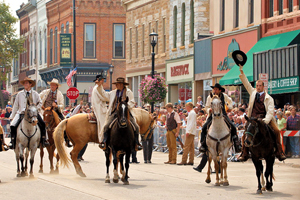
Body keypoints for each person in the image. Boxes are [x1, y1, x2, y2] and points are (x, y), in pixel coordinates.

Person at [238, 65, 286, 161]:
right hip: (253, 119)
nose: (258, 87)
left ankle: (279, 151)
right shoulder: (253, 93)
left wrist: (265, 121)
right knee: (245, 134)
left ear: (263, 87)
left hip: (264, 119)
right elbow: (246, 83)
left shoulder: (269, 98)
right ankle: (244, 153)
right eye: (257, 86)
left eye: (260, 86)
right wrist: (241, 71)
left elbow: (270, 112)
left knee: (276, 131)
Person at [97, 77, 142, 151]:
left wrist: (125, 106)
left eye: (118, 84)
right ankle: (104, 142)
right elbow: (104, 94)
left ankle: (137, 143)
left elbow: (132, 102)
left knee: (136, 126)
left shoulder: (128, 92)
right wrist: (99, 86)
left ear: (122, 85)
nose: (116, 86)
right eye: (116, 84)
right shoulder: (113, 92)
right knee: (106, 126)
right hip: (115, 112)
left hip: (125, 112)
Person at [199, 83, 241, 153]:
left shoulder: (224, 96)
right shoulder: (210, 97)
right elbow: (206, 107)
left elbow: (230, 101)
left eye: (216, 89)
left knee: (233, 127)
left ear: (219, 90)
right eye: (214, 89)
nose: (214, 91)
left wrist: (230, 107)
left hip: (223, 115)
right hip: (212, 116)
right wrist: (209, 110)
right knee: (204, 128)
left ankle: (237, 144)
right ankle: (203, 145)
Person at [8, 77, 47, 149]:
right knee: (12, 125)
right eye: (24, 83)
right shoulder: (19, 94)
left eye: (26, 83)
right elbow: (16, 106)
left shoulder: (35, 94)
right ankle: (12, 141)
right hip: (21, 113)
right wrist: (12, 117)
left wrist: (35, 107)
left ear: (30, 84)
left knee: (43, 123)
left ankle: (43, 140)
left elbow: (40, 103)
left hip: (33, 113)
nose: (25, 84)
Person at [39, 78, 68, 146]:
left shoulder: (60, 94)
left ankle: (66, 139)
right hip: (45, 111)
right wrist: (41, 106)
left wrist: (56, 105)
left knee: (64, 122)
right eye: (51, 85)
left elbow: (62, 105)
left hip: (55, 111)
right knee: (38, 122)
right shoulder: (45, 92)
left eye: (53, 85)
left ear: (56, 86)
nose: (51, 86)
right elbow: (38, 98)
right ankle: (39, 139)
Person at [91, 73, 108, 144]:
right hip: (99, 108)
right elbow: (104, 97)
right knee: (104, 122)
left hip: (100, 106)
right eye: (102, 80)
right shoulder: (97, 88)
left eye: (103, 80)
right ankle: (103, 139)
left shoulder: (99, 88)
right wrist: (112, 98)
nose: (103, 81)